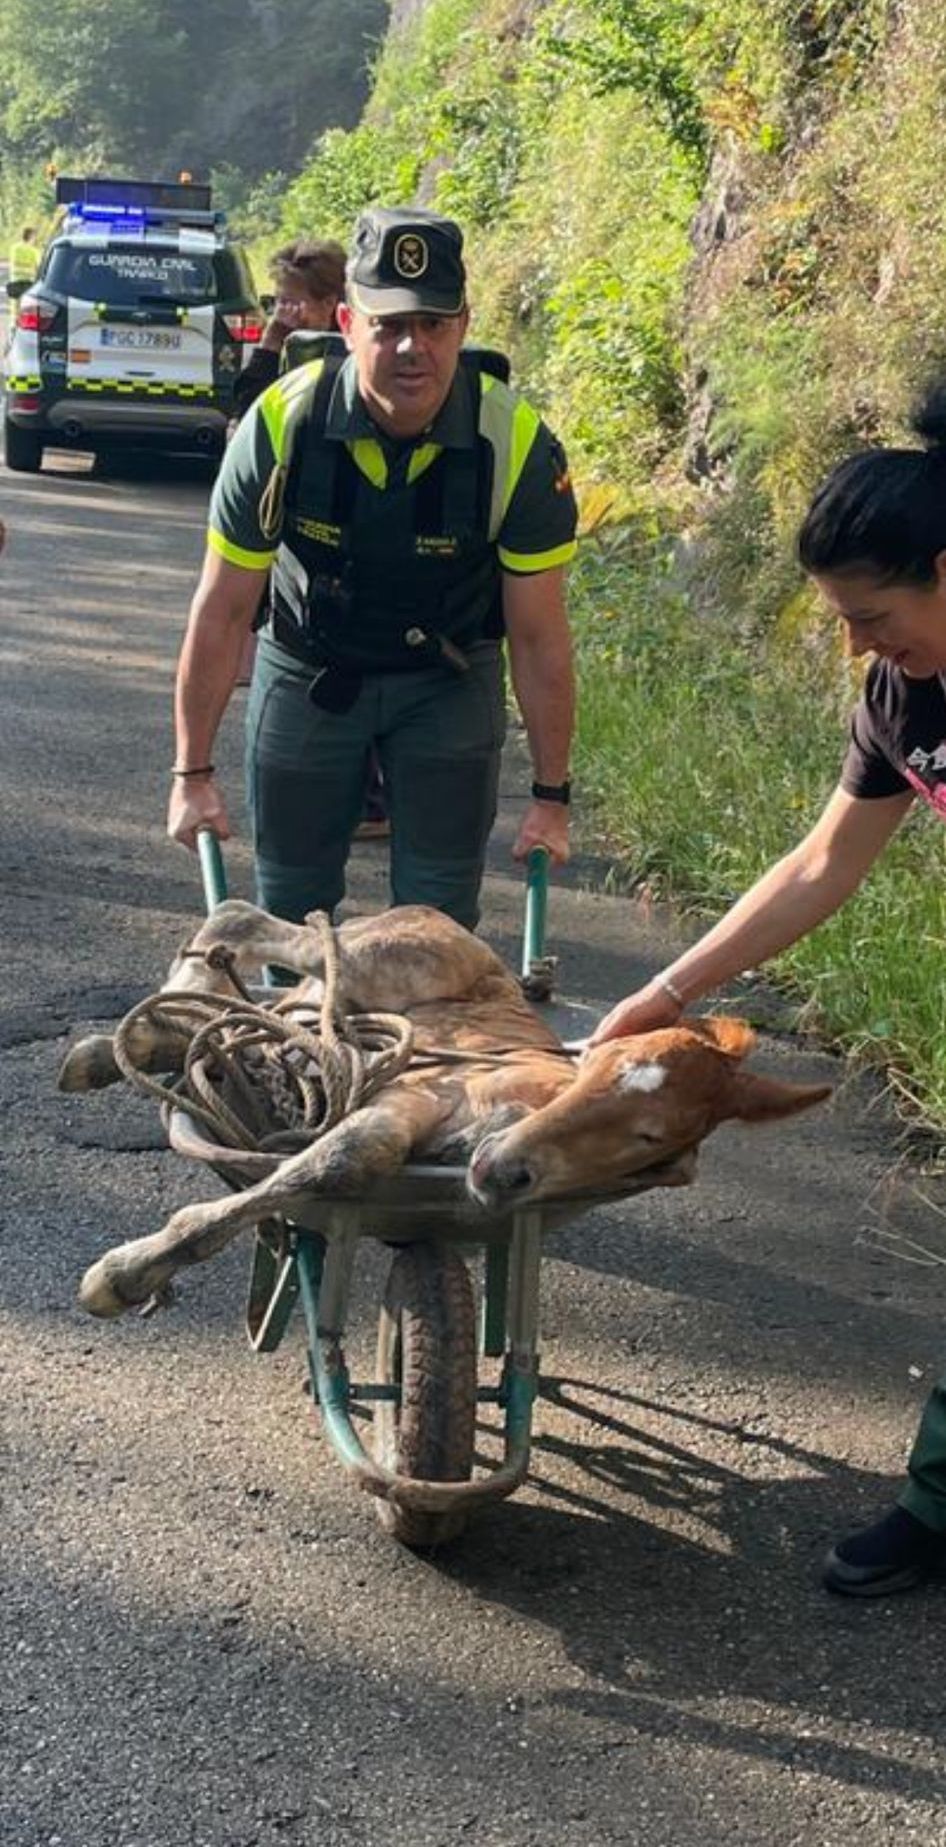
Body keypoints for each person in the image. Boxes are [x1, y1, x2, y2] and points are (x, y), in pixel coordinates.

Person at [588, 382, 946, 1598]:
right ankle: (935, 1509)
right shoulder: (901, 696)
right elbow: (820, 862)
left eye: (874, 615)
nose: (857, 645)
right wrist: (669, 986)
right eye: (843, 621)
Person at [168, 204, 577, 933]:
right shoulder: (279, 425)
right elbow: (223, 610)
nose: (412, 347)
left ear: (463, 325)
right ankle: (296, 1010)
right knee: (291, 913)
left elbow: (539, 636)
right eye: (388, 325)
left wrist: (551, 798)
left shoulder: (515, 445)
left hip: (449, 676)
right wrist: (191, 775)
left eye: (433, 323)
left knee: (435, 925)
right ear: (347, 324)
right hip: (310, 667)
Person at [231, 236, 345, 422]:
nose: (280, 314)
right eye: (278, 302)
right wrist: (269, 345)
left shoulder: (348, 352)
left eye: (289, 303)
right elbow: (249, 411)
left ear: (329, 303)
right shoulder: (284, 343)